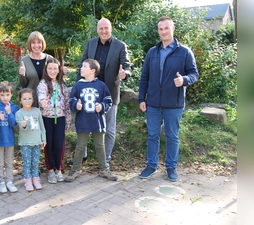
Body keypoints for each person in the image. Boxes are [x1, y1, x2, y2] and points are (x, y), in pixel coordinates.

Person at [138, 16, 199, 182]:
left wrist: (184, 80)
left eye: (166, 28)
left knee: (172, 136)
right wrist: (141, 98)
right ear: (158, 31)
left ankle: (171, 167)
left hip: (174, 103)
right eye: (160, 29)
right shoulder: (152, 52)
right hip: (153, 103)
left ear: (173, 29)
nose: (163, 31)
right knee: (152, 135)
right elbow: (144, 77)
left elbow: (194, 74)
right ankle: (151, 165)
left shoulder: (184, 52)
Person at [71, 18, 131, 166]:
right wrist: (79, 84)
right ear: (97, 29)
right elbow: (82, 64)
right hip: (88, 92)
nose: (104, 31)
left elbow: (127, 66)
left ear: (111, 29)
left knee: (109, 128)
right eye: (101, 28)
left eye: (106, 28)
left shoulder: (120, 46)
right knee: (84, 125)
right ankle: (82, 156)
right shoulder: (91, 43)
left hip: (109, 93)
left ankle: (106, 159)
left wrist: (125, 74)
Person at [65, 59, 118, 183]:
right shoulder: (78, 85)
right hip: (83, 121)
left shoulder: (101, 85)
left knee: (100, 146)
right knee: (80, 146)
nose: (81, 68)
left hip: (97, 121)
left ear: (93, 71)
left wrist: (102, 107)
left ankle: (104, 169)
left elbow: (108, 101)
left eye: (84, 66)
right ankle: (76, 169)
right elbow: (71, 101)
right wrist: (75, 106)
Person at [37, 58, 72, 184]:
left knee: (59, 145)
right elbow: (41, 101)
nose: (52, 71)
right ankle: (51, 170)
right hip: (47, 119)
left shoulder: (62, 85)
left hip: (60, 118)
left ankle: (59, 169)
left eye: (55, 69)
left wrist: (68, 120)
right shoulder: (42, 84)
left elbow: (67, 103)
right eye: (50, 68)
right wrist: (44, 103)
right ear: (46, 69)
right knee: (49, 145)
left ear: (59, 70)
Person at [18, 31, 67, 107]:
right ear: (30, 44)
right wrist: (22, 75)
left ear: (42, 44)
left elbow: (57, 80)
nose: (36, 45)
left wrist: (62, 73)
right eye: (33, 42)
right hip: (31, 102)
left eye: (39, 42)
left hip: (49, 102)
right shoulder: (24, 61)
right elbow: (23, 85)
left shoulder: (50, 59)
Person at [0, 81, 19, 193]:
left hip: (9, 140)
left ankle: (9, 181)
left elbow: (13, 124)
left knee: (9, 162)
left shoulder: (14, 107)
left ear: (11, 94)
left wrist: (9, 113)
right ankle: (1, 182)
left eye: (7, 95)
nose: (5, 97)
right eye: (2, 95)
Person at [15, 88, 47, 191]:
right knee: (27, 162)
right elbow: (22, 127)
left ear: (33, 99)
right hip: (25, 143)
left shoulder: (37, 111)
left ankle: (36, 179)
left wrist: (44, 139)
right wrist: (24, 124)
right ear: (20, 101)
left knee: (35, 162)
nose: (27, 101)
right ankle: (27, 181)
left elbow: (42, 127)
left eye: (29, 98)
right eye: (24, 99)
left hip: (37, 141)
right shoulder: (19, 113)